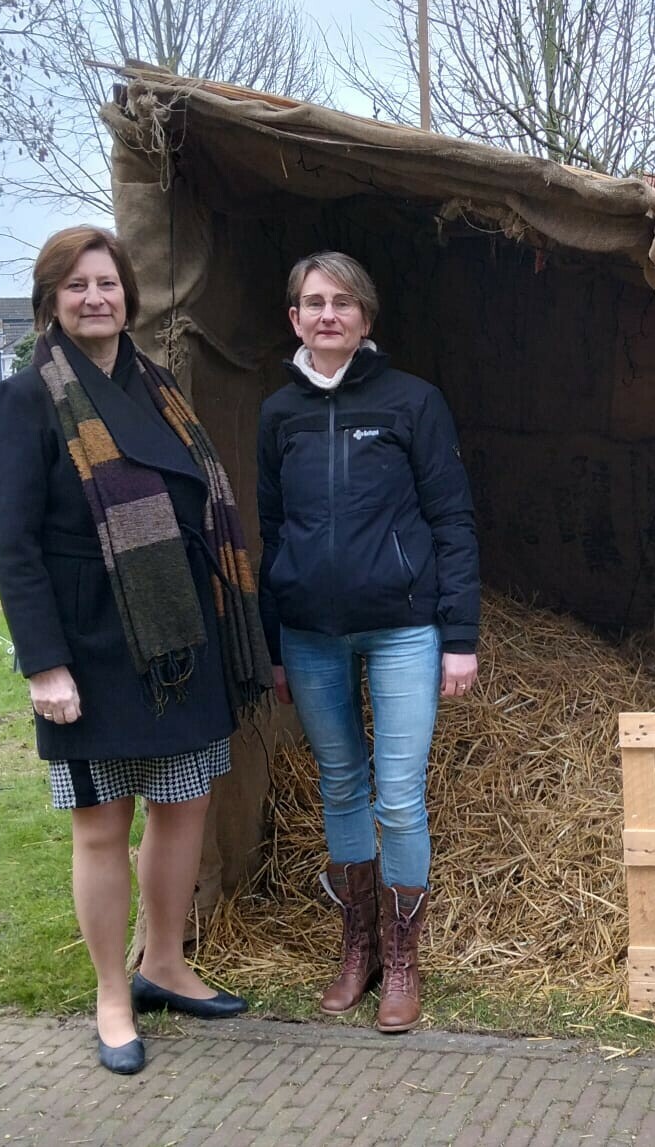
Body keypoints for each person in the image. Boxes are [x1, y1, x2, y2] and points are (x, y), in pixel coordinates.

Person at [0, 225, 272, 1075]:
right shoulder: (27, 398)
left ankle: (166, 961)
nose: (95, 297)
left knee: (183, 809)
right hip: (90, 645)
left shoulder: (157, 387)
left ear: (129, 296)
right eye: (76, 286)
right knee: (102, 825)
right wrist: (44, 663)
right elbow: (12, 543)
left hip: (181, 637)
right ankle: (113, 991)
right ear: (51, 301)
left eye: (106, 282)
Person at [257, 251, 481, 1034]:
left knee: (397, 792)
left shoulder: (411, 403)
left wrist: (461, 637)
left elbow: (452, 520)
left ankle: (403, 953)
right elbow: (270, 529)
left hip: (402, 629)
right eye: (313, 302)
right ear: (294, 319)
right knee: (341, 785)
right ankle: (356, 946)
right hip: (309, 633)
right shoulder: (277, 413)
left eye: (343, 302)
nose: (327, 315)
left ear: (366, 317)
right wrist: (273, 644)